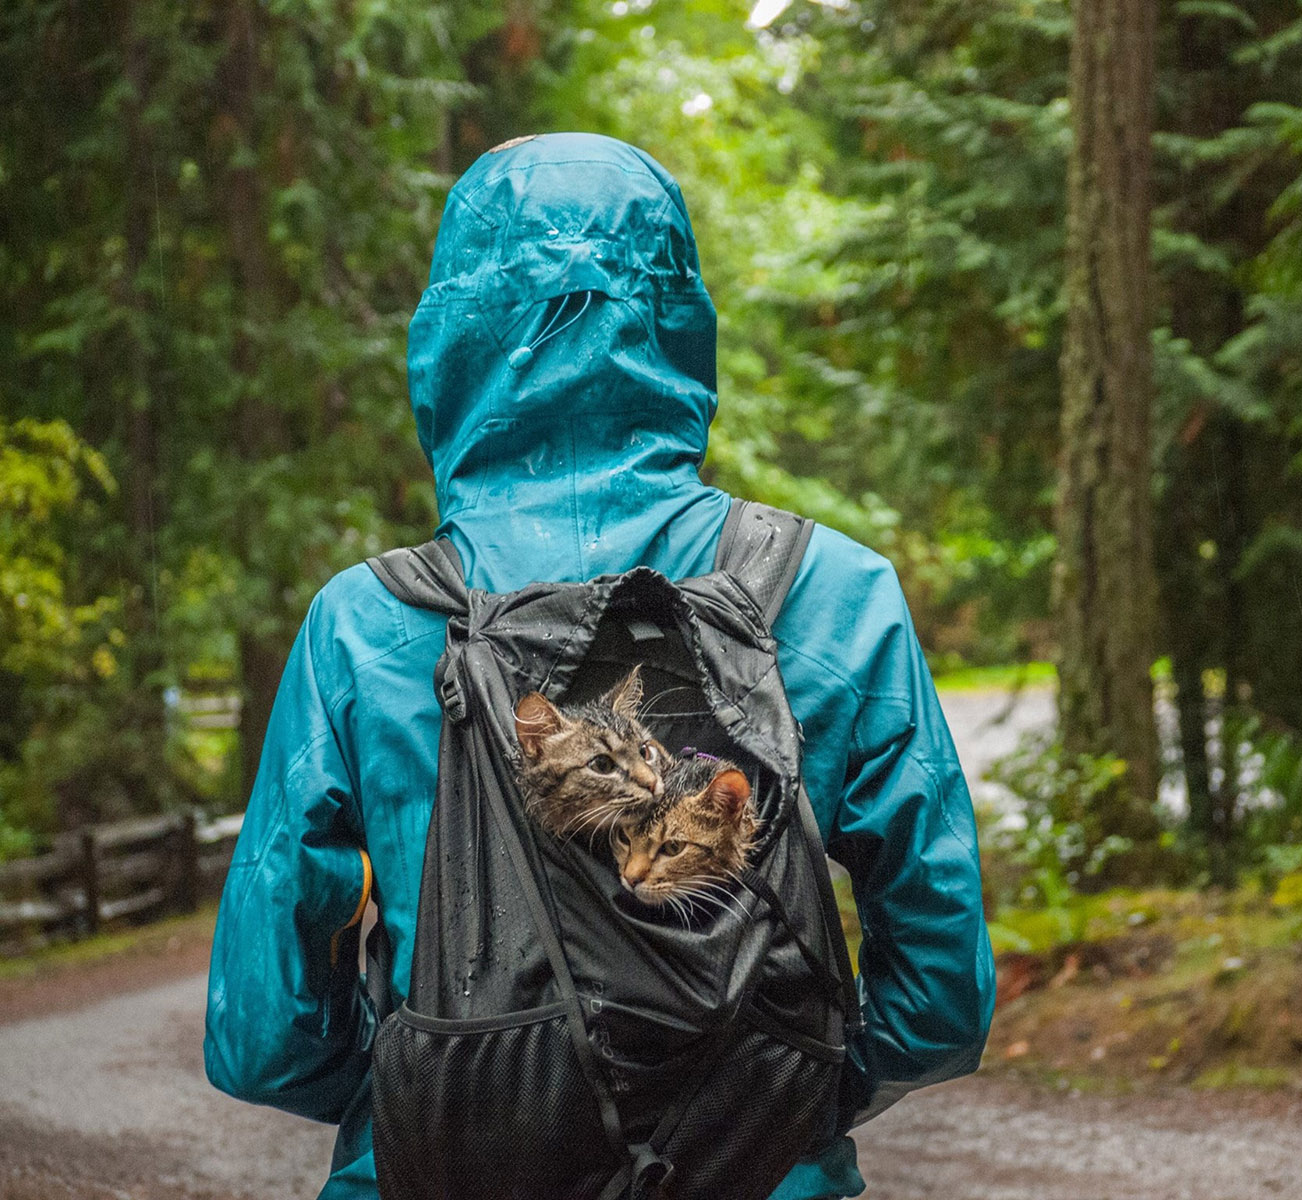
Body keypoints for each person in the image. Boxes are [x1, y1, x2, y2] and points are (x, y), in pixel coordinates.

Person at [204, 131, 995, 1200]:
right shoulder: (833, 593)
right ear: (679, 323)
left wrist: (434, 1085)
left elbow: (263, 1037)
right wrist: (787, 1093)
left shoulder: (364, 625)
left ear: (451, 334)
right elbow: (942, 996)